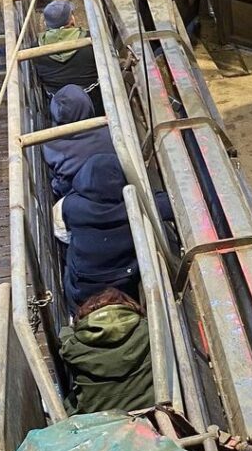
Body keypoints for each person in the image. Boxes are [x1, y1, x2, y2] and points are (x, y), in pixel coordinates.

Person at [60, 152, 175, 314]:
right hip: (124, 290)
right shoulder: (134, 209)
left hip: (83, 293)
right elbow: (171, 205)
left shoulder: (72, 206)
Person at [58, 288, 155, 415]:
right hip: (149, 410)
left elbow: (64, 335)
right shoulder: (150, 332)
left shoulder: (72, 348)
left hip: (96, 417)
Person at [42, 84, 114, 199]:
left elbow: (60, 187)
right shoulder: (111, 133)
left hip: (80, 198)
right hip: (116, 189)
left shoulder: (52, 147)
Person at [34, 0, 101, 113]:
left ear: (45, 24)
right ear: (72, 20)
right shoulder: (91, 40)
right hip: (95, 99)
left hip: (59, 106)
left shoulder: (35, 49)